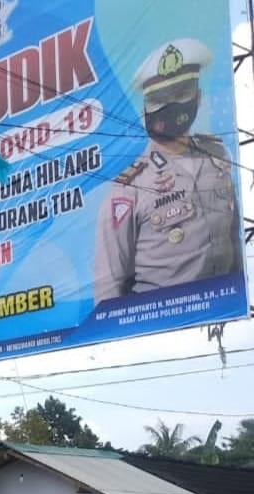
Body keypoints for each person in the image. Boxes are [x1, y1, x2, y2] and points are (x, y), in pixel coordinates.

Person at [94, 38, 242, 305]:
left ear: (197, 97)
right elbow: (108, 287)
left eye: (180, 94)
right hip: (165, 330)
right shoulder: (129, 188)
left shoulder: (218, 158)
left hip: (227, 315)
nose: (170, 107)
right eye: (159, 100)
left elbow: (236, 243)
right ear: (144, 112)